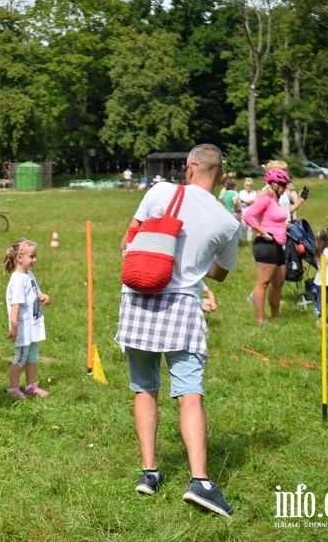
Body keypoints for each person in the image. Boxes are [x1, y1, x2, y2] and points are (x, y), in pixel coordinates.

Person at [114, 144, 239, 518]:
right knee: (189, 392)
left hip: (137, 299)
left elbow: (127, 243)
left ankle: (149, 473)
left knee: (144, 387)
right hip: (183, 307)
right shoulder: (228, 221)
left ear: (190, 168)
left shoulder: (160, 192)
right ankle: (200, 482)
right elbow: (219, 272)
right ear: (218, 175)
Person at [242, 168, 292, 324]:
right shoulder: (265, 199)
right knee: (263, 283)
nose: (285, 189)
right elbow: (247, 215)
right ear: (274, 185)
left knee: (279, 282)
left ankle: (276, 316)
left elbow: (272, 218)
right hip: (265, 244)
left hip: (277, 244)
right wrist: (262, 231)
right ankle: (260, 320)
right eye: (283, 185)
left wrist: (283, 225)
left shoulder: (274, 200)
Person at [3, 238, 51, 399]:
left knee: (32, 357)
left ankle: (31, 385)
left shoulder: (29, 274)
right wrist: (14, 327)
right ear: (19, 258)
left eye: (35, 256)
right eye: (31, 256)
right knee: (21, 357)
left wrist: (42, 295)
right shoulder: (17, 280)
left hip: (34, 324)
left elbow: (35, 291)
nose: (34, 260)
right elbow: (16, 305)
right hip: (23, 326)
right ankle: (13, 388)